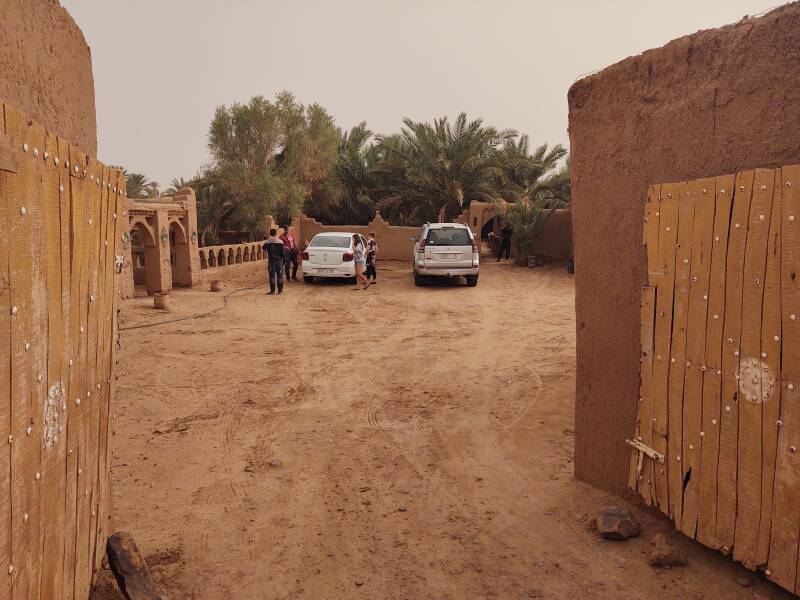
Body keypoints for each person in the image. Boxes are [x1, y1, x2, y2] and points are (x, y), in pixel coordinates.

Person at [262, 228, 285, 295]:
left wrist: (268, 250)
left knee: (272, 276)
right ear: (276, 233)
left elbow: (263, 248)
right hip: (279, 261)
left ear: (270, 234)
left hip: (271, 261)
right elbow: (282, 252)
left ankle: (272, 291)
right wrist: (284, 261)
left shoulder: (267, 242)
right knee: (279, 276)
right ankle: (280, 291)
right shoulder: (280, 242)